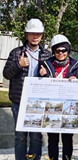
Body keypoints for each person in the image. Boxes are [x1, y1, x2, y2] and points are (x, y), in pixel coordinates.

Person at [3, 19, 51, 160]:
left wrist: (46, 74)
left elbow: (54, 78)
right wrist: (18, 65)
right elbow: (6, 74)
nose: (35, 36)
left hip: (38, 102)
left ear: (42, 35)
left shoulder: (47, 55)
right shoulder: (16, 53)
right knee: (20, 135)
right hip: (19, 101)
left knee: (36, 136)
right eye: (32, 33)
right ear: (26, 34)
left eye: (38, 33)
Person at [39, 34, 78, 160]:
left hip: (69, 108)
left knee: (67, 138)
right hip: (51, 107)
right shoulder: (46, 64)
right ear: (53, 51)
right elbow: (38, 85)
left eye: (63, 50)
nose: (60, 53)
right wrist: (42, 75)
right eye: (57, 51)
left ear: (68, 50)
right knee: (52, 138)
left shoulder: (75, 65)